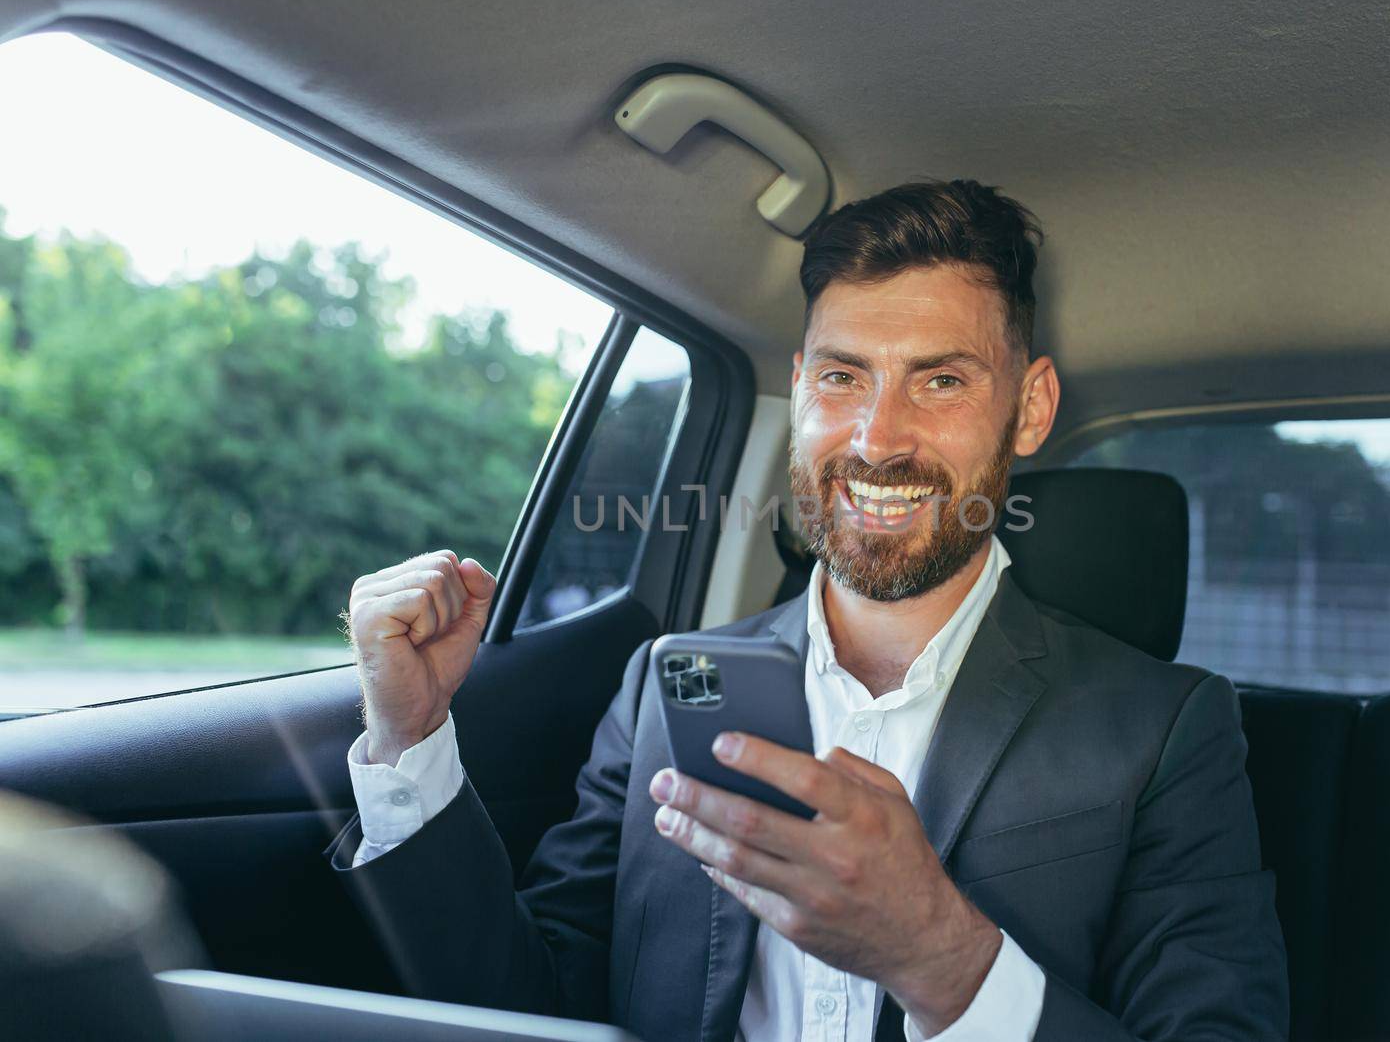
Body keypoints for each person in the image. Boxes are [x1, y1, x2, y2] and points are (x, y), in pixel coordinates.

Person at [326, 179, 1290, 1041]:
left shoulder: (1167, 730)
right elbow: (523, 1008)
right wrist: (411, 736)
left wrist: (941, 956)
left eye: (941, 379)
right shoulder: (670, 683)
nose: (877, 438)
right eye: (842, 375)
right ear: (800, 386)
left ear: (1030, 408)